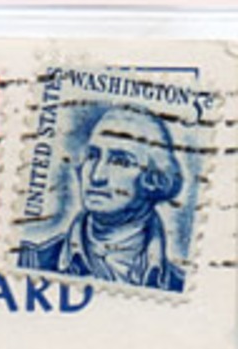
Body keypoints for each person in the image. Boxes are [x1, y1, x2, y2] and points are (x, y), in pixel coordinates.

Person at [18, 105, 185, 291]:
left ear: (155, 179)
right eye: (92, 155)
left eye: (120, 161)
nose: (97, 176)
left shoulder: (177, 284)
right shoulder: (32, 263)